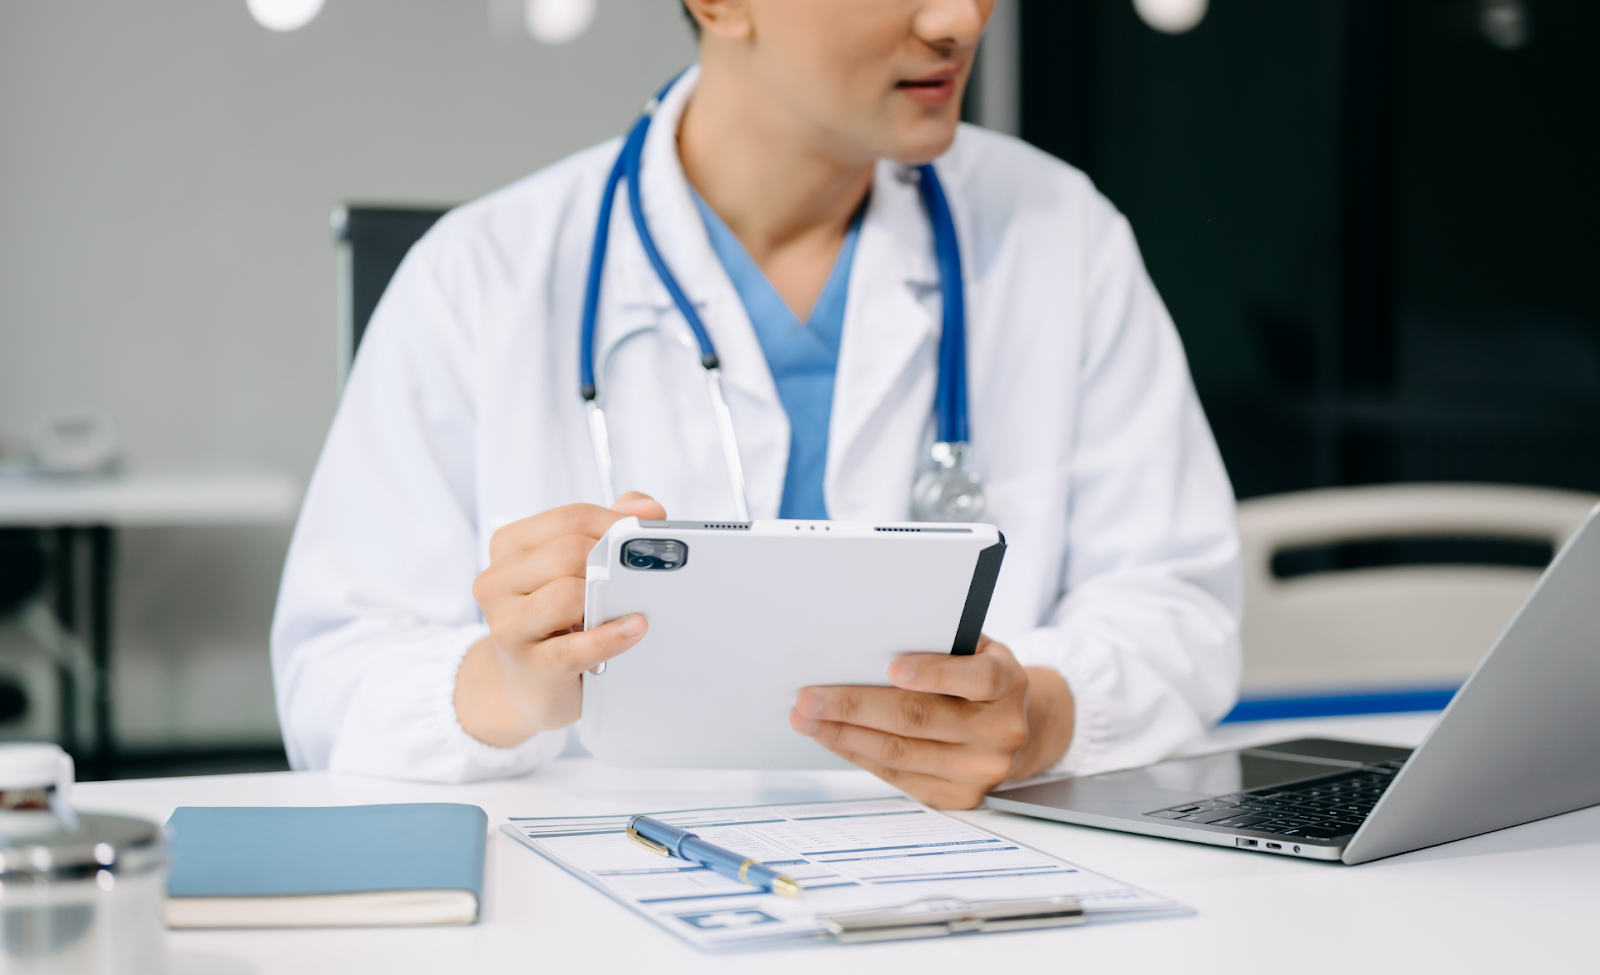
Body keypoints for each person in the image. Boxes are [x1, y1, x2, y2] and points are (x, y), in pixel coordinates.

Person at [270, 0, 1241, 809]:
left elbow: (1178, 607)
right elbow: (330, 677)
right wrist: (505, 682)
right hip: (596, 915)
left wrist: (1040, 712)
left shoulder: (1059, 235)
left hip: (968, 894)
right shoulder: (481, 276)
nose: (959, 19)